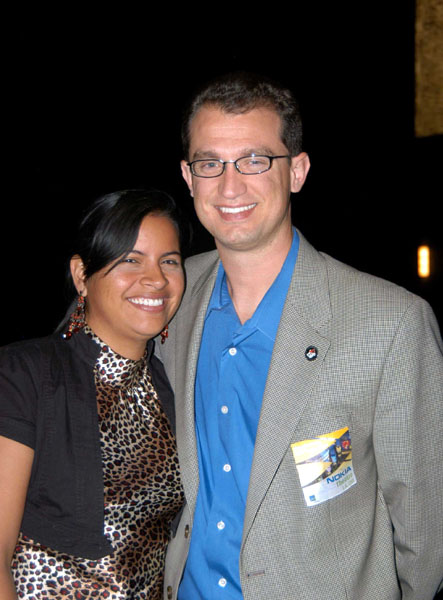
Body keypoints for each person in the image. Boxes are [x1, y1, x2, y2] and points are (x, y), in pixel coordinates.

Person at [158, 73, 443, 600]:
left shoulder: (391, 323)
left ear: (297, 171)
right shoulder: (164, 295)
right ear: (187, 176)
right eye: (210, 163)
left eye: (254, 160)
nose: (229, 186)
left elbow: (426, 538)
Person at [0, 189, 186, 599]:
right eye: (131, 260)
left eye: (169, 261)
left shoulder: (172, 389)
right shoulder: (24, 376)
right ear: (82, 275)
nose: (156, 279)